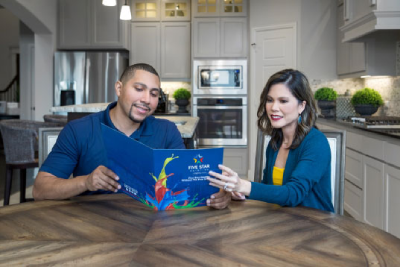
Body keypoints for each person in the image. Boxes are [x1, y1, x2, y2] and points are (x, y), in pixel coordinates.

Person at [33, 63, 231, 209]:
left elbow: (186, 183)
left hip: (152, 225)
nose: (146, 99)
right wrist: (86, 181)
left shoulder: (167, 131)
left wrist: (220, 194)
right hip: (91, 226)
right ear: (119, 88)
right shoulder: (79, 130)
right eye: (139, 89)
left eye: (154, 94)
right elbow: (40, 190)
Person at [207, 69, 334, 212]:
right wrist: (240, 193)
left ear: (301, 106)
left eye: (283, 101)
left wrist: (243, 185)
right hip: (283, 221)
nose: (273, 108)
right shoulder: (276, 142)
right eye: (270, 100)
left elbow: (293, 194)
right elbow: (270, 188)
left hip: (316, 226)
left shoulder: (316, 143)